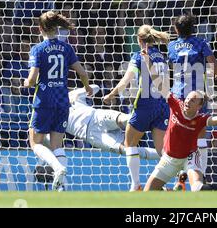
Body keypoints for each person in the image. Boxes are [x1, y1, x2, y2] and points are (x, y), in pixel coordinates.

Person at [141, 50, 217, 191]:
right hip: (169, 159)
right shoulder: (175, 103)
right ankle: (169, 192)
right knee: (148, 193)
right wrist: (147, 61)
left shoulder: (200, 119)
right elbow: (158, 83)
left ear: (199, 107)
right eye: (188, 98)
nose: (188, 101)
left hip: (189, 158)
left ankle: (208, 192)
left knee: (197, 187)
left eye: (193, 100)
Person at [23, 11, 92, 191]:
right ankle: (62, 187)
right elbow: (83, 72)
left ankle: (57, 168)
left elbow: (31, 80)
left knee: (35, 142)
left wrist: (25, 83)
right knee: (56, 145)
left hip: (44, 99)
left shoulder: (37, 49)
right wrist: (88, 88)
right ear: (57, 28)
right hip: (62, 100)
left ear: (40, 28)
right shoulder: (67, 48)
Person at [103, 25, 170, 191]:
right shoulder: (161, 57)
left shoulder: (139, 56)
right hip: (162, 105)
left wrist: (110, 95)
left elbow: (126, 80)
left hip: (145, 105)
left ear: (139, 40)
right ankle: (171, 182)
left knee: (130, 144)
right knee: (162, 150)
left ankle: (135, 185)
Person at [168, 14, 217, 182]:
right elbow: (213, 65)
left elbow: (169, 68)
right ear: (193, 28)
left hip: (178, 96)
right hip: (196, 97)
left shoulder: (172, 46)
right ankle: (200, 174)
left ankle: (179, 176)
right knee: (200, 136)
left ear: (176, 29)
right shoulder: (201, 43)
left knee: (177, 136)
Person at [55, 85, 160, 160]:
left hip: (97, 116)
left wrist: (79, 92)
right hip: (93, 135)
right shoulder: (54, 117)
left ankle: (162, 124)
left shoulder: (72, 95)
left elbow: (96, 87)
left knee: (127, 119)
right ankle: (164, 156)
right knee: (127, 150)